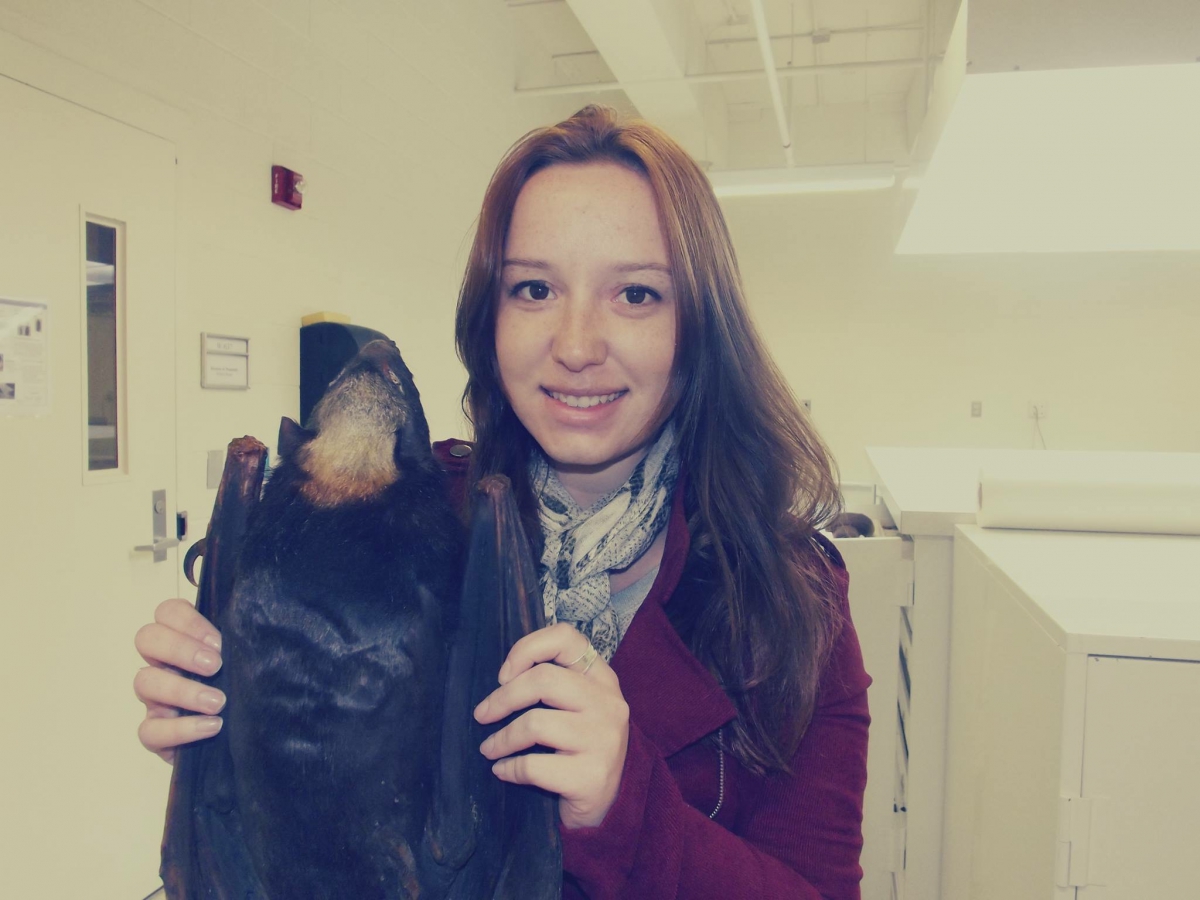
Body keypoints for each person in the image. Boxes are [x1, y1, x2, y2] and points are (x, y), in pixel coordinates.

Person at [134, 105, 871, 899]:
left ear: (698, 324)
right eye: (534, 288)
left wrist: (624, 809)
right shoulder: (401, 515)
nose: (578, 345)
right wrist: (231, 723)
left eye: (635, 294)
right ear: (490, 319)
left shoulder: (792, 600)